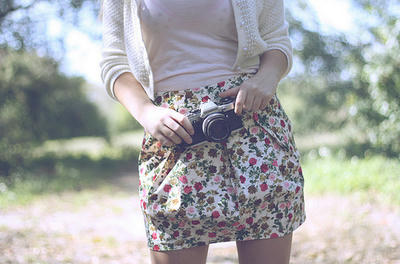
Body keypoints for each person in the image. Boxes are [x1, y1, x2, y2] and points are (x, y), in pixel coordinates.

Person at [100, 0, 306, 263]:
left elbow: (277, 41)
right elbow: (115, 61)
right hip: (175, 137)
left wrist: (267, 78)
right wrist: (146, 112)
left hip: (253, 130)